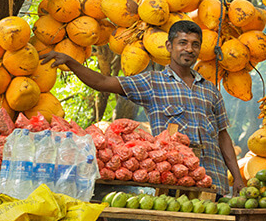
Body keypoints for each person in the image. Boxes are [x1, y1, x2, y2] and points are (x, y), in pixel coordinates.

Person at [40, 19, 245, 194]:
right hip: (174, 180)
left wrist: (236, 177)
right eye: (182, 43)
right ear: (169, 46)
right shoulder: (152, 82)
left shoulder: (210, 90)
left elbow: (223, 136)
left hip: (213, 180)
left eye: (194, 44)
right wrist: (71, 62)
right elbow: (102, 82)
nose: (189, 49)